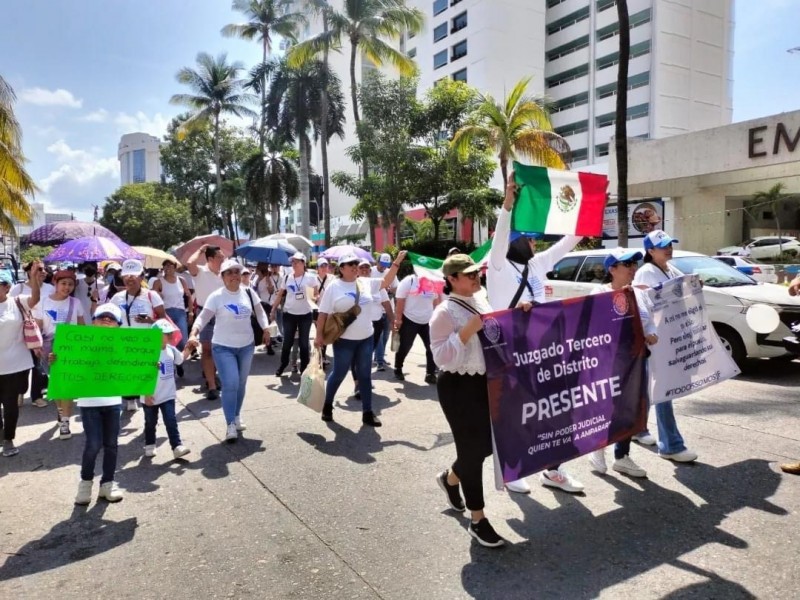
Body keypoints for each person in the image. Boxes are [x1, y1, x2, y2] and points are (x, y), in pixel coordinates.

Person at [487, 171, 584, 495]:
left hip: (546, 350)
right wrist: (507, 206)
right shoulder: (498, 266)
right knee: (517, 414)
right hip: (511, 351)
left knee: (557, 408)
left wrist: (588, 212)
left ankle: (553, 469)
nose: (534, 243)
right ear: (515, 241)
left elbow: (568, 242)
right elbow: (499, 239)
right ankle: (512, 468)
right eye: (529, 238)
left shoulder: (536, 265)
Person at [430, 253, 505, 547]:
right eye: (469, 275)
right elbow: (441, 357)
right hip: (458, 386)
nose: (476, 278)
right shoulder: (444, 312)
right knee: (472, 451)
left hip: (486, 382)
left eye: (476, 273)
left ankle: (450, 478)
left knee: (485, 446)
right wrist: (465, 332)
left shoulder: (482, 299)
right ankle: (478, 519)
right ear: (452, 279)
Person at [587, 249, 657, 478]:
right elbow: (594, 323)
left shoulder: (638, 293)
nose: (632, 268)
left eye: (633, 264)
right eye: (626, 264)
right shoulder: (598, 292)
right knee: (607, 408)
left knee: (631, 409)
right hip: (608, 362)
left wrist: (651, 333)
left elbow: (648, 322)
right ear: (612, 269)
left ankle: (622, 456)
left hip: (635, 361)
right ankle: (598, 449)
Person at [314, 252, 404, 426]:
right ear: (341, 268)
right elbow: (323, 314)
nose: (355, 266)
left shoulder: (365, 282)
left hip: (366, 338)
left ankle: (367, 412)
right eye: (350, 264)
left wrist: (397, 262)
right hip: (344, 340)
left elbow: (386, 281)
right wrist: (318, 336)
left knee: (365, 375)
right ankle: (327, 405)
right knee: (339, 373)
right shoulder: (334, 287)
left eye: (356, 263)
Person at [632, 230, 698, 463]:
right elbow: (643, 307)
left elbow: (686, 287)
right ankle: (670, 445)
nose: (669, 249)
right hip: (655, 339)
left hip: (669, 336)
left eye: (670, 244)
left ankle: (636, 429)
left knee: (652, 386)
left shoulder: (670, 269)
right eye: (663, 246)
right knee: (664, 389)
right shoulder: (645, 273)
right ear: (650, 251)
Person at [187, 259, 270, 442]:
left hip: (246, 346)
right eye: (229, 272)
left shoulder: (249, 293)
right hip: (223, 347)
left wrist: (266, 328)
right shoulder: (216, 296)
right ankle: (230, 423)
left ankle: (237, 415)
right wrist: (194, 333)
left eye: (236, 272)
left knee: (240, 384)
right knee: (231, 383)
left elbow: (260, 312)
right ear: (222, 277)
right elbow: (203, 317)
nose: (234, 275)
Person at [69, 303, 125, 504]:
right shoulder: (81, 343)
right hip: (89, 401)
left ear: (119, 326)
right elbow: (67, 365)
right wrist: (56, 360)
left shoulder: (124, 346)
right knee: (93, 443)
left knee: (111, 444)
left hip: (113, 400)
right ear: (93, 322)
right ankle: (85, 483)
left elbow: (136, 367)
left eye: (111, 319)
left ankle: (108, 483)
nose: (106, 321)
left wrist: (147, 365)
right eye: (102, 317)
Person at [34, 269, 87, 440]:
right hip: (49, 349)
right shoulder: (43, 302)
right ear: (55, 284)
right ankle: (60, 411)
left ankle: (65, 421)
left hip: (70, 348)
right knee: (56, 385)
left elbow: (81, 327)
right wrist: (38, 347)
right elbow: (38, 327)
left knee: (67, 385)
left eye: (70, 284)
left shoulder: (76, 303)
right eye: (63, 283)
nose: (67, 287)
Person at [109, 259, 168, 412]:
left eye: (134, 275)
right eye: (126, 275)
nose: (130, 278)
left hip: (145, 342)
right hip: (124, 342)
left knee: (146, 372)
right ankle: (130, 398)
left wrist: (150, 320)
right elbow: (111, 319)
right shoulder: (117, 298)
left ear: (142, 277)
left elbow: (163, 319)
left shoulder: (151, 295)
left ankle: (149, 401)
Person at [0, 263, 42, 457]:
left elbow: (35, 299)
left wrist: (33, 277)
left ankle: (8, 438)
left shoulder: (17, 301)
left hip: (15, 365)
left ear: (7, 286)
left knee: (10, 404)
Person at [143, 319, 191, 460]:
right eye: (165, 333)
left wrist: (189, 347)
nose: (169, 335)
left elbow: (180, 359)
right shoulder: (147, 352)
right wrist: (146, 393)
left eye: (170, 332)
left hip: (168, 394)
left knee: (170, 419)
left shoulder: (171, 349)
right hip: (151, 395)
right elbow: (142, 375)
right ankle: (150, 444)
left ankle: (177, 446)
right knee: (150, 421)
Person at [11, 261, 53, 407]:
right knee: (22, 365)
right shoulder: (18, 288)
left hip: (43, 333)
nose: (42, 272)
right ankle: (18, 392)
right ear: (29, 271)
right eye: (39, 269)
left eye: (44, 269)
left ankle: (37, 396)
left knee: (39, 365)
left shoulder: (50, 288)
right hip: (22, 333)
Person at [186, 244, 225, 399]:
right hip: (205, 315)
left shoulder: (225, 273)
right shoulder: (200, 271)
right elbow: (190, 263)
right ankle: (211, 385)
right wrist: (200, 250)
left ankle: (213, 375)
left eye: (223, 257)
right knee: (207, 350)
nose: (222, 259)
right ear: (210, 259)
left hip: (223, 315)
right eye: (219, 257)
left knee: (219, 350)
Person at [271, 252, 319, 377]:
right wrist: (273, 309)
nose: (294, 264)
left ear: (303, 263)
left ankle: (304, 368)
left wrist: (314, 298)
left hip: (305, 314)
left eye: (296, 262)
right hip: (289, 314)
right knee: (287, 342)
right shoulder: (287, 277)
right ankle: (283, 364)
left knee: (304, 343)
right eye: (292, 262)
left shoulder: (311, 277)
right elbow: (280, 294)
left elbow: (316, 294)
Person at [353, 259, 394, 397]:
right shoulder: (352, 285)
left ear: (370, 271)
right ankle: (358, 384)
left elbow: (387, 304)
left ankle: (365, 380)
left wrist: (393, 321)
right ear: (357, 271)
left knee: (368, 354)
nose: (364, 270)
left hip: (376, 325)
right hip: (357, 325)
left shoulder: (376, 285)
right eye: (361, 268)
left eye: (367, 268)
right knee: (357, 356)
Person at [393, 272, 441, 384]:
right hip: (410, 319)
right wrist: (398, 319)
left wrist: (437, 317)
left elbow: (436, 301)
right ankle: (398, 368)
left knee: (432, 347)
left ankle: (430, 373)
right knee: (405, 346)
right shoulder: (409, 281)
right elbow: (400, 300)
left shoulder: (433, 282)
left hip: (428, 321)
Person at [152, 258, 192, 374]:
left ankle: (178, 361)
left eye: (170, 265)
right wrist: (158, 295)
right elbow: (153, 296)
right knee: (167, 339)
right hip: (166, 313)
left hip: (180, 312)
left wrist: (190, 312)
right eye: (166, 265)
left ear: (175, 267)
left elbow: (189, 296)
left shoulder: (181, 280)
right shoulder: (159, 282)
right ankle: (171, 364)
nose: (168, 267)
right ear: (163, 268)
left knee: (182, 339)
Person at [370, 253, 397, 372]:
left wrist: (391, 289)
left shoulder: (390, 273)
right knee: (379, 336)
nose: (383, 267)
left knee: (385, 336)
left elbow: (397, 287)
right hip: (375, 310)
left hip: (388, 307)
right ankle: (380, 361)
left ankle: (378, 356)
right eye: (381, 264)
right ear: (377, 262)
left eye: (386, 265)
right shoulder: (370, 271)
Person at [252, 262, 277, 355]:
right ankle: (265, 343)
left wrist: (267, 279)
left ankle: (268, 344)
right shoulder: (255, 278)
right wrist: (258, 276)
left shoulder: (269, 277)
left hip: (268, 304)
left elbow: (271, 291)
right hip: (259, 304)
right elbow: (253, 289)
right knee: (261, 325)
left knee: (267, 325)